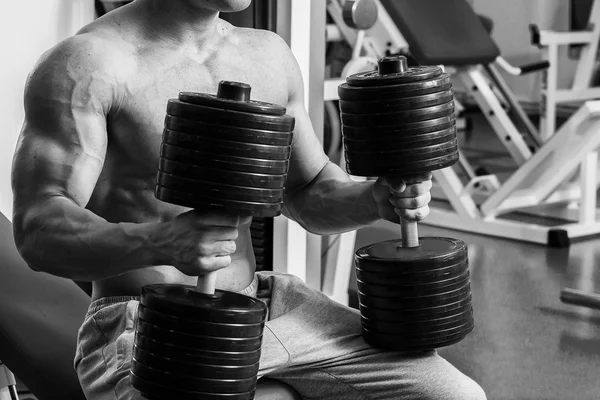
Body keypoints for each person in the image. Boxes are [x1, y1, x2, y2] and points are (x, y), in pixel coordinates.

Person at [11, 1, 486, 399]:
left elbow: (307, 189)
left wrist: (375, 199)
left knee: (455, 395)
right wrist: (161, 242)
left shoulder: (268, 56)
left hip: (265, 304)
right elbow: (38, 227)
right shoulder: (89, 64)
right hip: (147, 327)